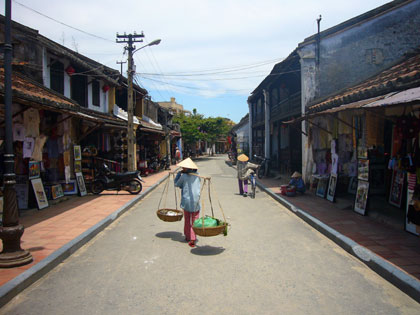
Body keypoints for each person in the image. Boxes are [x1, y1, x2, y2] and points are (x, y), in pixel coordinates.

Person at [174, 158, 201, 248]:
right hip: (196, 201)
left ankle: (188, 237)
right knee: (195, 220)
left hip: (186, 201)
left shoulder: (184, 176)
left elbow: (177, 184)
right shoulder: (197, 175)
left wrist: (178, 175)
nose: (182, 169)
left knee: (187, 220)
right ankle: (193, 238)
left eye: (183, 168)